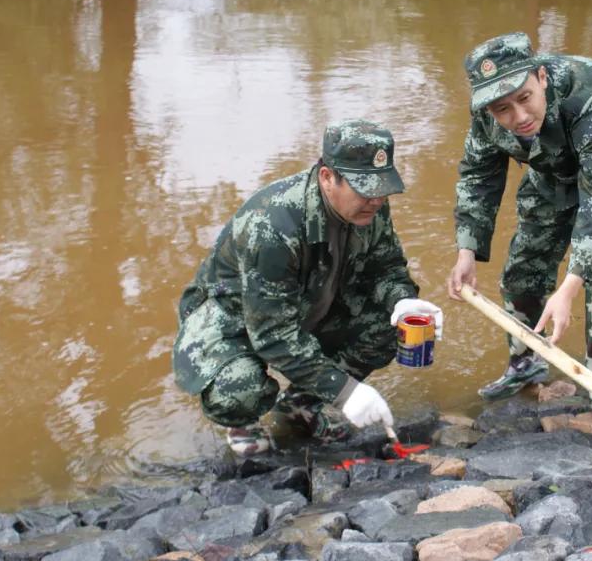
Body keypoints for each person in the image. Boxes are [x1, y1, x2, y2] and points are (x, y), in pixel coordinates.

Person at [174, 120, 443, 455]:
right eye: (364, 189)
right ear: (327, 177)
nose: (376, 200)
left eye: (382, 188)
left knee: (390, 326)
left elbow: (386, 269)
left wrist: (403, 302)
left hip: (307, 302)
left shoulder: (370, 207)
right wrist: (346, 392)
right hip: (234, 321)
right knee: (239, 390)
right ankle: (242, 421)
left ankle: (300, 406)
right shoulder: (271, 227)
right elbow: (272, 335)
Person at [447, 32, 592, 402]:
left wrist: (569, 286)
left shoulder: (588, 93)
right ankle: (525, 363)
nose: (518, 117)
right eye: (502, 110)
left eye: (525, 98)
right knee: (523, 266)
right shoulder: (487, 111)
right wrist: (467, 250)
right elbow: (479, 175)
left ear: (541, 77)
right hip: (554, 166)